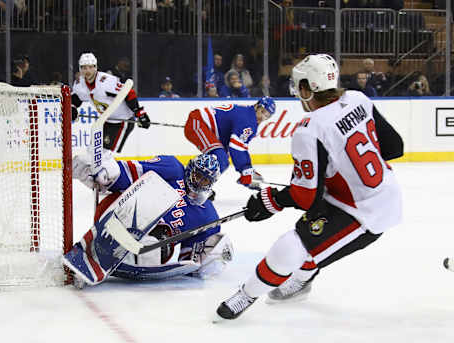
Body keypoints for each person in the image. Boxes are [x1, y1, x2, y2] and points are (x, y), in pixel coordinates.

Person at [215, 54, 403, 320]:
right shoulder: (358, 99)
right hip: (374, 193)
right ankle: (303, 279)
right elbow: (395, 147)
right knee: (310, 232)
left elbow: (304, 196)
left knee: (291, 247)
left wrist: (269, 201)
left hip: (366, 211)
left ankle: (247, 295)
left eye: (298, 86)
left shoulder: (309, 128)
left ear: (306, 88)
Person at [63, 153, 234, 285]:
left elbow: (187, 261)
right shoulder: (173, 168)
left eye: (206, 180)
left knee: (156, 247)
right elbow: (132, 171)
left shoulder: (208, 217)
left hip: (150, 247)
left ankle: (102, 263)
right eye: (198, 176)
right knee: (146, 223)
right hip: (119, 211)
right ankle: (94, 255)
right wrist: (108, 174)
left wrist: (211, 257)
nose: (200, 182)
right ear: (191, 168)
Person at [184, 96, 276, 190]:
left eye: (267, 116)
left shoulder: (249, 117)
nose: (263, 117)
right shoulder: (248, 119)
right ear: (257, 106)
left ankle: (198, 185)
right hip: (198, 122)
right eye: (263, 112)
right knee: (220, 159)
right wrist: (245, 171)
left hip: (204, 126)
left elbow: (241, 147)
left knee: (221, 161)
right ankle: (190, 187)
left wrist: (248, 170)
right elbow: (236, 147)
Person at [71, 52, 150, 153]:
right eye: (84, 68)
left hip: (122, 121)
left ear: (95, 67)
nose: (88, 71)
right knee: (93, 151)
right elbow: (76, 97)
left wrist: (139, 113)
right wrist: (72, 107)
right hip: (105, 121)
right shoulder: (80, 83)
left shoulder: (106, 81)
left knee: (107, 155)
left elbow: (128, 92)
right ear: (80, 69)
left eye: (91, 67)